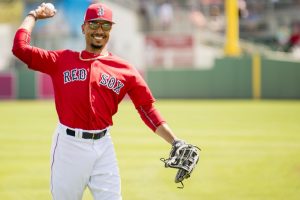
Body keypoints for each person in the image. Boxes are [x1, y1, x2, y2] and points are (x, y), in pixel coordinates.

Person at [12, 2, 184, 200]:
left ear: (111, 29)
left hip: (103, 146)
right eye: (94, 25)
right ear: (84, 27)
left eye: (106, 25)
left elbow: (147, 109)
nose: (99, 31)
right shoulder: (61, 60)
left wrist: (174, 140)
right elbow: (20, 48)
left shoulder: (125, 70)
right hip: (69, 145)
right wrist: (33, 16)